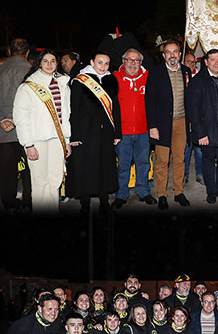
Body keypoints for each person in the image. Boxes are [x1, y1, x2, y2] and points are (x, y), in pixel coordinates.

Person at [12, 51, 71, 213]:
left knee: (55, 180)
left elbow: (65, 115)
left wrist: (66, 140)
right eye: (45, 61)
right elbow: (21, 117)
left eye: (53, 60)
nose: (49, 64)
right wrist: (28, 144)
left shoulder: (62, 83)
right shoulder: (28, 86)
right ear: (39, 63)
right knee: (40, 182)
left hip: (57, 140)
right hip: (37, 140)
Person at [65, 52, 122, 215]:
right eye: (100, 62)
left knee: (105, 167)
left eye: (106, 63)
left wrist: (117, 132)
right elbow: (73, 110)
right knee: (85, 168)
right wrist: (75, 135)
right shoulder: (80, 81)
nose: (103, 66)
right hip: (86, 133)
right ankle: (85, 203)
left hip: (106, 133)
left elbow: (115, 107)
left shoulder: (111, 79)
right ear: (92, 62)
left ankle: (104, 201)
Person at [145, 40, 192, 211]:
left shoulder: (186, 71)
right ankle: (162, 194)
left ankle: (179, 192)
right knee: (162, 161)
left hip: (181, 122)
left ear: (180, 54)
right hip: (162, 124)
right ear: (163, 55)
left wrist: (191, 122)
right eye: (168, 52)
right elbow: (149, 101)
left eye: (175, 52)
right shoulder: (155, 73)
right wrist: (152, 125)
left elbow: (190, 99)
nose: (172, 55)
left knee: (180, 159)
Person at [185, 50, 218, 204]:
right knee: (208, 160)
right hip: (208, 130)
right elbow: (193, 109)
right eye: (212, 60)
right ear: (206, 62)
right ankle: (211, 191)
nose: (216, 63)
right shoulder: (199, 81)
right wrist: (200, 133)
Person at [112, 48, 154, 209]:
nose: (132, 63)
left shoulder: (148, 78)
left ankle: (143, 191)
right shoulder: (114, 78)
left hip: (143, 130)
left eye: (136, 60)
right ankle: (121, 194)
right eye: (129, 60)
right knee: (123, 165)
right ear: (123, 61)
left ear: (140, 62)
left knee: (143, 163)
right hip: (123, 132)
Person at [0, 38, 32, 213]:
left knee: (6, 171)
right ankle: (29, 200)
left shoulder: (1, 69)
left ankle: (8, 202)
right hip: (27, 129)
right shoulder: (32, 71)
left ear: (8, 51)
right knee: (30, 169)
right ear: (27, 53)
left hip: (3, 129)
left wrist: (2, 119)